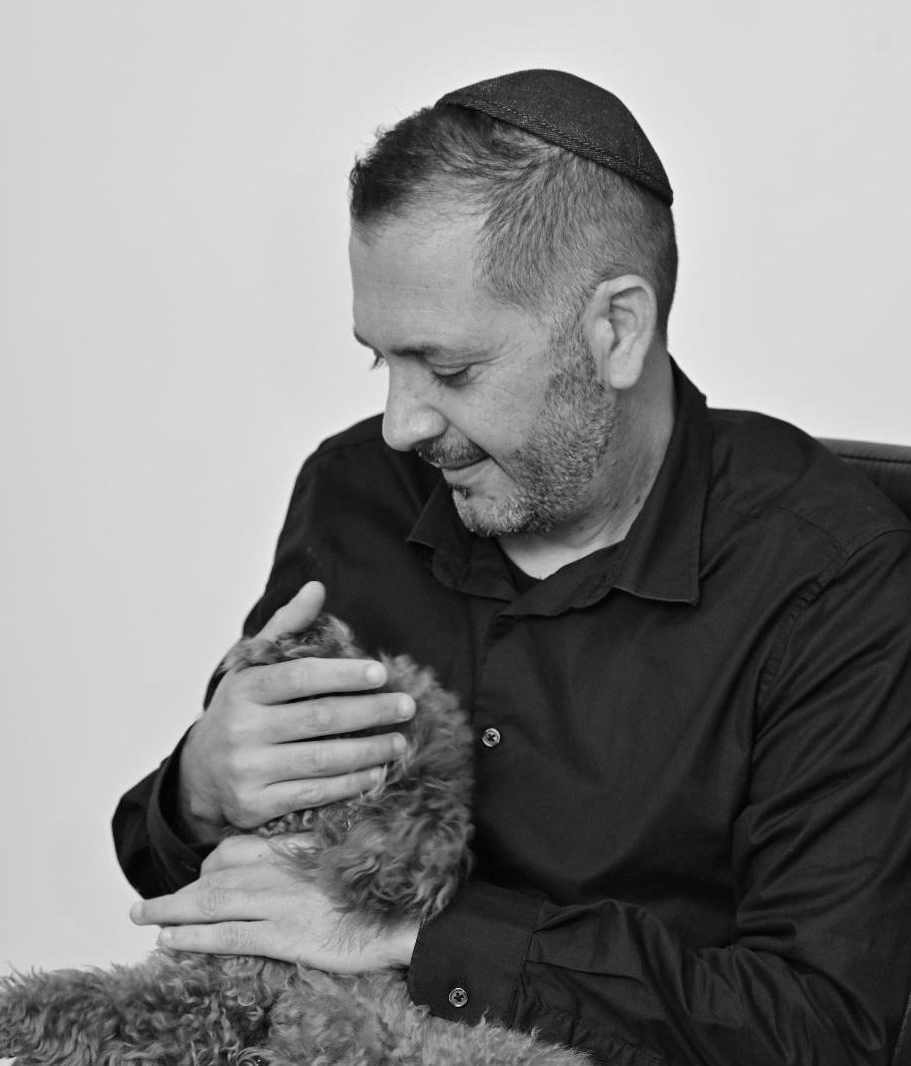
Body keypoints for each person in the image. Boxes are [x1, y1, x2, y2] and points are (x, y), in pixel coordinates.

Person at [114, 70, 911, 1065]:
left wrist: (425, 939)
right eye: (381, 361)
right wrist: (199, 788)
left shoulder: (832, 574)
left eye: (449, 369)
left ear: (616, 330)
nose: (401, 425)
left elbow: (822, 1027)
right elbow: (208, 890)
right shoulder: (354, 490)